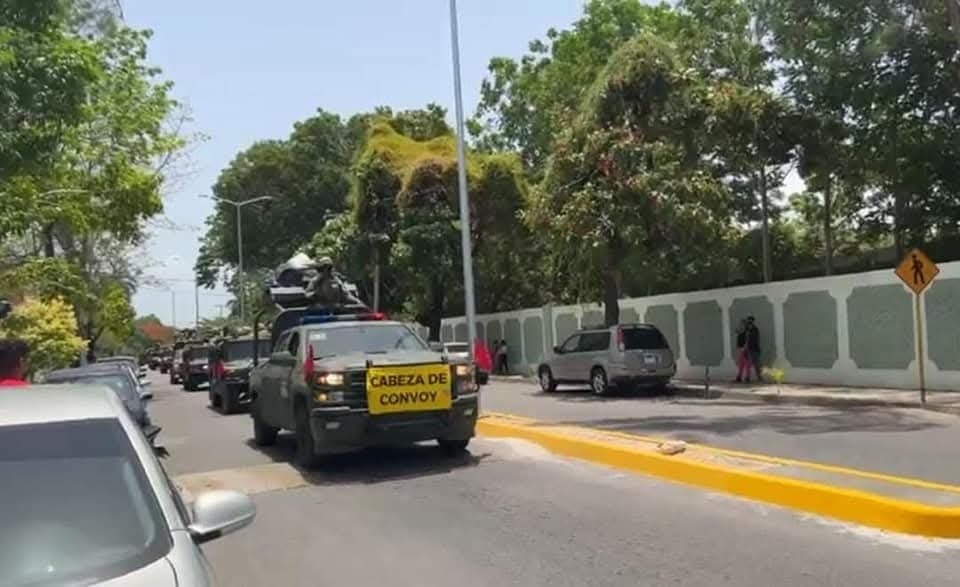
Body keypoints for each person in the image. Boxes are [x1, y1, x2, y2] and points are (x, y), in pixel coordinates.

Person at [744, 316, 763, 382]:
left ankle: (759, 377)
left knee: (756, 364)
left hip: (755, 349)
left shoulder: (755, 330)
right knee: (748, 364)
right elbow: (746, 340)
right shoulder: (747, 330)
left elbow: (754, 340)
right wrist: (746, 348)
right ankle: (747, 377)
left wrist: (748, 347)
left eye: (750, 321)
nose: (749, 323)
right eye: (748, 322)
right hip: (749, 349)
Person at [734, 319, 751, 383]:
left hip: (744, 349)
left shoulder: (747, 332)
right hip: (739, 348)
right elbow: (736, 330)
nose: (741, 325)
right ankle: (739, 377)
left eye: (742, 324)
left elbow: (747, 340)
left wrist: (745, 348)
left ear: (745, 325)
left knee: (747, 363)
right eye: (741, 324)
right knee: (740, 364)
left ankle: (747, 377)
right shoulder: (741, 331)